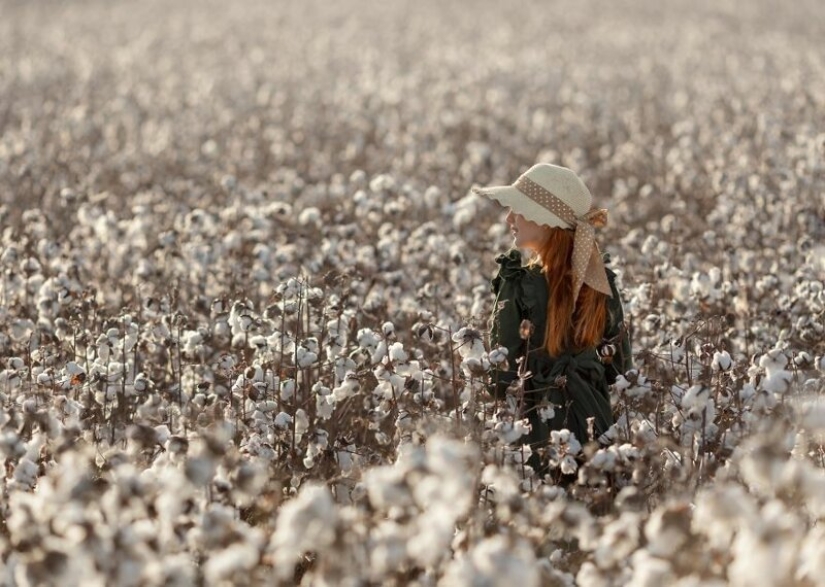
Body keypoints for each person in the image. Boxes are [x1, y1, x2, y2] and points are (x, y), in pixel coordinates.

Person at [473, 163, 632, 475]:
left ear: (546, 221)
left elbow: (500, 375)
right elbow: (620, 369)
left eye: (518, 209)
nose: (509, 219)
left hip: (535, 431)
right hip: (595, 430)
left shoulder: (518, 284)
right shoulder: (601, 282)